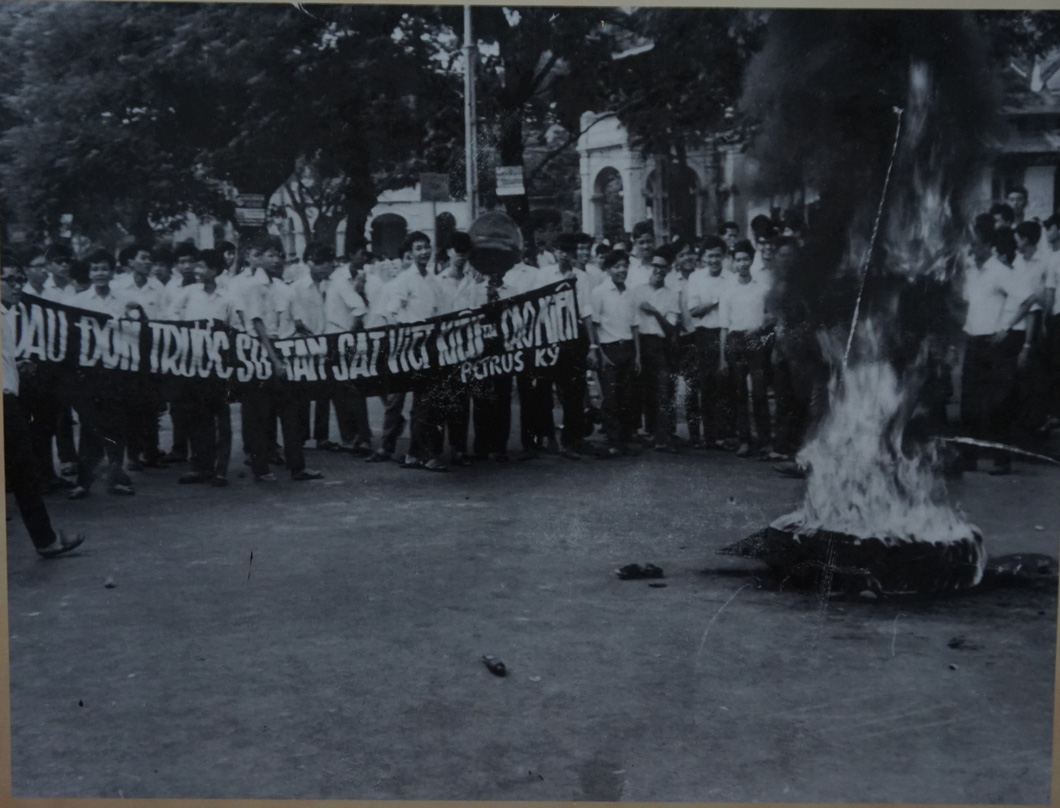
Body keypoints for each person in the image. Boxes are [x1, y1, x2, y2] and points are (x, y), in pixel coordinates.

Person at [1, 254, 86, 557]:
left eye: (19, 279)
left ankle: (46, 540)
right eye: (9, 280)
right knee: (24, 472)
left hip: (10, 398)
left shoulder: (6, 316)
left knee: (23, 473)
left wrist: (16, 366)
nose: (17, 286)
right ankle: (46, 540)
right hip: (5, 403)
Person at [239, 232, 324, 483]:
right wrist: (274, 360)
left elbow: (297, 322)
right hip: (263, 354)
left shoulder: (284, 288)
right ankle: (260, 469)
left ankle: (297, 467)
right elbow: (258, 325)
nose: (276, 260)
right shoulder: (254, 286)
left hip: (288, 354)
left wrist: (312, 339)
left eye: (280, 255)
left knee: (292, 414)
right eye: (270, 255)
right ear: (260, 259)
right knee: (260, 415)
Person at [375, 231, 447, 471]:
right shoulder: (405, 280)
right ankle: (418, 453)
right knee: (412, 400)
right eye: (418, 248)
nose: (424, 252)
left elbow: (440, 313)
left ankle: (416, 453)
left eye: (427, 247)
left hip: (432, 347)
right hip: (410, 348)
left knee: (425, 402)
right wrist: (403, 333)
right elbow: (389, 311)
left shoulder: (435, 280)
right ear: (410, 253)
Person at [67, 249, 136, 498]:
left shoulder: (123, 300)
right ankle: (84, 481)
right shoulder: (79, 302)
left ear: (112, 271)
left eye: (104, 269)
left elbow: (136, 332)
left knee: (117, 425)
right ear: (89, 272)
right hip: (89, 372)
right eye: (95, 269)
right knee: (89, 426)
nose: (100, 274)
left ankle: (116, 478)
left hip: (116, 371)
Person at [959, 214, 1016, 473]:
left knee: (997, 403)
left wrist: (1005, 327)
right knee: (968, 402)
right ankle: (968, 456)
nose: (971, 248)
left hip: (993, 344)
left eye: (975, 244)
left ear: (988, 245)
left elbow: (1026, 299)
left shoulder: (1001, 272)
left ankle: (1002, 460)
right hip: (972, 341)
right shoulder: (970, 270)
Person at [114, 242, 168, 471]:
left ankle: (151, 451)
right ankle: (133, 454)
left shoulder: (157, 288)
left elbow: (165, 319)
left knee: (153, 405)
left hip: (152, 352)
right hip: (126, 353)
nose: (148, 263)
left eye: (150, 259)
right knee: (130, 406)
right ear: (130, 262)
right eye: (143, 258)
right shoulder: (118, 287)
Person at [720, 239, 773, 458]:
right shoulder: (728, 291)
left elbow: (772, 317)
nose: (742, 264)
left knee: (760, 393)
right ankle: (744, 440)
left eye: (746, 259)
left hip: (756, 341)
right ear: (732, 262)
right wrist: (722, 357)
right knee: (739, 392)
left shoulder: (762, 288)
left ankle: (764, 441)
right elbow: (724, 326)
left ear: (752, 261)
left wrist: (759, 328)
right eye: (738, 260)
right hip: (735, 341)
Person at [323, 237, 373, 455]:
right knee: (341, 392)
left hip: (343, 339)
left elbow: (361, 308)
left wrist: (350, 335)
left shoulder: (350, 279)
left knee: (352, 391)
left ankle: (361, 437)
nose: (365, 257)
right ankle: (351, 437)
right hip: (335, 337)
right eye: (362, 253)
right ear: (352, 254)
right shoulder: (338, 279)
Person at [587, 249, 639, 458]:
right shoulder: (599, 292)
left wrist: (637, 355)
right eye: (617, 267)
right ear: (608, 269)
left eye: (625, 266)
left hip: (627, 348)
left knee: (627, 397)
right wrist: (599, 352)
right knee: (611, 397)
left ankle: (624, 440)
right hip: (608, 349)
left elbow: (635, 325)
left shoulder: (631, 292)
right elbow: (594, 324)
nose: (622, 270)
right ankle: (613, 441)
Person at [630, 245, 681, 451]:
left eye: (664, 268)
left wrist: (654, 312)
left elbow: (670, 329)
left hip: (659, 344)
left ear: (668, 270)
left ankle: (662, 437)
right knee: (638, 390)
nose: (659, 270)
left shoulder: (670, 294)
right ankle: (639, 434)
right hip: (639, 342)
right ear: (650, 267)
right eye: (656, 266)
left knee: (662, 389)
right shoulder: (637, 290)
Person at [687, 235, 733, 449]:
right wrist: (715, 302)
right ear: (703, 258)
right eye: (710, 256)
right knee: (706, 384)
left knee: (725, 384)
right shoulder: (695, 278)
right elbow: (694, 311)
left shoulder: (731, 278)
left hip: (727, 333)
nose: (714, 260)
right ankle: (709, 434)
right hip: (705, 335)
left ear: (724, 257)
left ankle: (724, 433)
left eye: (718, 255)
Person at [291, 242, 334, 450]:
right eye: (323, 264)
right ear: (311, 264)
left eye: (329, 264)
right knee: (302, 393)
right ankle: (300, 435)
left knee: (325, 393)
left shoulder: (331, 285)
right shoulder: (297, 288)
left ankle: (322, 436)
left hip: (327, 342)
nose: (328, 268)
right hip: (304, 345)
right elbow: (296, 319)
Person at [626, 220, 656, 290]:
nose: (645, 246)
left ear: (654, 241)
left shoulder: (664, 267)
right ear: (635, 244)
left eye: (649, 242)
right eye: (641, 243)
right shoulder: (630, 270)